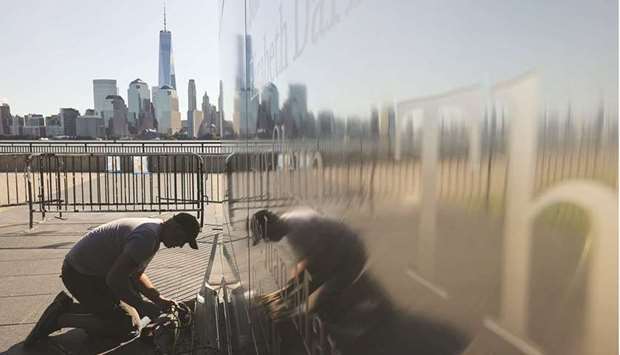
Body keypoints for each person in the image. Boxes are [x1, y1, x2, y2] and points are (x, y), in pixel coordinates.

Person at [24, 213, 200, 347]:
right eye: (182, 240)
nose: (180, 245)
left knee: (132, 313)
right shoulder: (147, 238)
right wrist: (142, 304)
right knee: (127, 325)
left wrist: (158, 299)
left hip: (87, 271)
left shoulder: (154, 229)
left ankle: (68, 306)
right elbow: (115, 279)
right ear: (176, 229)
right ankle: (60, 318)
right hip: (81, 275)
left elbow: (135, 274)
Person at [250, 207, 367, 321]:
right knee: (312, 300)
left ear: (271, 225)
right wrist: (286, 291)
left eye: (265, 235)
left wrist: (293, 298)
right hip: (339, 252)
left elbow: (324, 271)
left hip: (352, 256)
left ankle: (357, 315)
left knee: (323, 302)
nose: (267, 240)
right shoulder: (289, 224)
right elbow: (307, 264)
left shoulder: (301, 229)